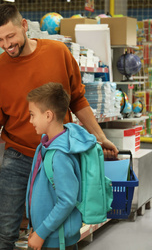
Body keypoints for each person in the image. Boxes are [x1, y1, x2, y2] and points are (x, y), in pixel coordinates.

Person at [0, 4, 118, 249]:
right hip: (18, 157)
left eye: (11, 36)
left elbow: (77, 99)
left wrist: (99, 137)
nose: (6, 45)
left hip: (60, 155)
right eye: (0, 39)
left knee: (60, 226)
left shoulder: (58, 52)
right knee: (5, 231)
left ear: (24, 26)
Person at [26, 82, 92, 250]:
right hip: (47, 235)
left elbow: (67, 201)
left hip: (57, 240)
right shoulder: (44, 147)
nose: (30, 120)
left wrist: (41, 233)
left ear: (48, 116)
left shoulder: (60, 155)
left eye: (32, 114)